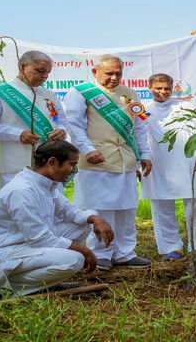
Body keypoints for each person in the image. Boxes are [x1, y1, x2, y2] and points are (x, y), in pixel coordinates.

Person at [0, 140, 114, 295]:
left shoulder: (45, 185)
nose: (73, 170)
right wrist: (85, 251)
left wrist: (96, 219)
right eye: (71, 164)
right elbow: (40, 238)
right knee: (74, 260)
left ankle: (42, 281)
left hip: (23, 244)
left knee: (83, 224)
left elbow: (70, 211)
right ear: (52, 162)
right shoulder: (21, 190)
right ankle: (5, 287)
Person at [64, 54, 152, 271]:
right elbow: (73, 124)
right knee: (100, 209)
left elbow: (139, 127)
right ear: (95, 72)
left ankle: (125, 253)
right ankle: (100, 253)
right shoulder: (81, 93)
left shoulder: (130, 94)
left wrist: (145, 154)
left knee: (126, 208)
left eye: (118, 73)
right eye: (109, 73)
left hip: (127, 160)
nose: (114, 78)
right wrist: (87, 150)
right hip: (97, 160)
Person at [0, 50, 68, 189]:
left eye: (47, 73)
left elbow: (61, 120)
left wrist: (62, 130)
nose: (44, 76)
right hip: (15, 168)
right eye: (40, 71)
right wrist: (16, 134)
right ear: (22, 66)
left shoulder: (48, 94)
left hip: (50, 167)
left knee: (53, 209)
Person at [142, 73, 196, 260]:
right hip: (158, 164)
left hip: (189, 161)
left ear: (172, 88)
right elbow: (138, 137)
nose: (163, 92)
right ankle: (171, 248)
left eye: (167, 88)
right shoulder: (143, 110)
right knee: (161, 205)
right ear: (149, 88)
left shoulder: (186, 107)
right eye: (158, 88)